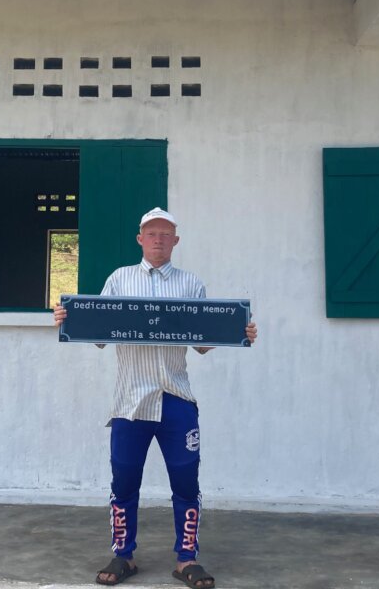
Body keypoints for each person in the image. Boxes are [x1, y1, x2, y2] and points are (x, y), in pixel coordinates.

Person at [54, 206, 258, 588]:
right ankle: (123, 555)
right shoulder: (119, 279)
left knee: (185, 481)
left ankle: (186, 559)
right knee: (124, 481)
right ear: (140, 239)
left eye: (165, 233)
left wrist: (237, 331)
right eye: (152, 233)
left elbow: (202, 343)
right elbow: (98, 334)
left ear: (175, 240)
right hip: (130, 401)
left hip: (176, 398)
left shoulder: (191, 284)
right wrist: (70, 319)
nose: (158, 239)